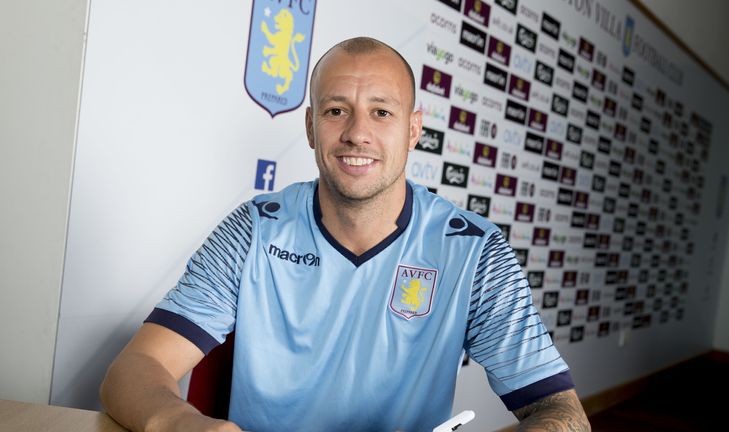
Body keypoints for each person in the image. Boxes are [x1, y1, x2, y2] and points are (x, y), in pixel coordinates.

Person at [100, 36, 591, 432]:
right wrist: (183, 424)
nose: (358, 132)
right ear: (312, 127)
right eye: (336, 110)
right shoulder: (254, 229)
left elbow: (562, 412)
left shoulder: (475, 251)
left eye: (382, 112)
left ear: (413, 129)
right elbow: (134, 368)